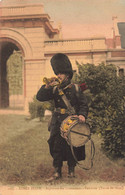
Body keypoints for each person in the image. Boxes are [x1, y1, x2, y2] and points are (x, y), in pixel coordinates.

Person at [36, 53, 89, 181]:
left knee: (72, 145)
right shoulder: (54, 89)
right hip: (57, 120)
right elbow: (40, 97)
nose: (58, 75)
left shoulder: (76, 88)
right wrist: (47, 86)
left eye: (61, 73)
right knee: (56, 145)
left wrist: (82, 115)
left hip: (71, 120)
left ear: (68, 74)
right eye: (57, 72)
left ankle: (71, 171)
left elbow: (84, 104)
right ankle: (57, 172)